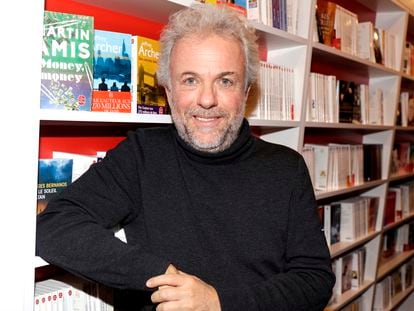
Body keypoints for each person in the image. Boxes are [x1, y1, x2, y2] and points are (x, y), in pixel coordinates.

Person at [36, 4, 335, 310]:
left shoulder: (286, 168)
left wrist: (218, 303)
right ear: (168, 92)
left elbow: (315, 280)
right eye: (190, 80)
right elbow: (55, 227)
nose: (207, 100)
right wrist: (165, 278)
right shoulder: (141, 156)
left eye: (225, 81)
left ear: (246, 92)